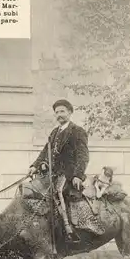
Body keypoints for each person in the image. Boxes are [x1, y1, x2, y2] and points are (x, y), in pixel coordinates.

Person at [28, 99, 89, 239]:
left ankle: (69, 230)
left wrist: (77, 175)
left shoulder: (78, 131)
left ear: (70, 112)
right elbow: (45, 151)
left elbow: (83, 155)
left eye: (62, 111)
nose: (59, 115)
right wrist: (34, 166)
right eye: (56, 112)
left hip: (68, 175)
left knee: (60, 192)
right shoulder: (54, 132)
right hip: (53, 174)